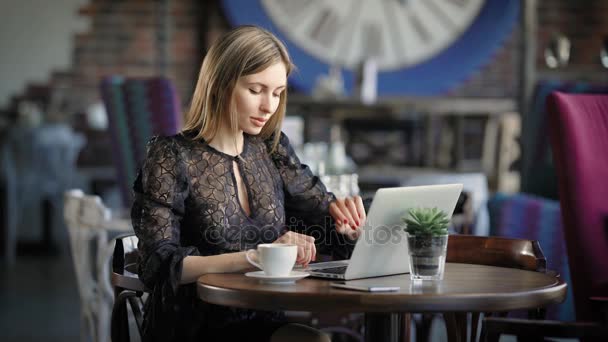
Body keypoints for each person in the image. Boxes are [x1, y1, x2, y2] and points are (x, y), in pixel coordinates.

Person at [132, 25, 367, 342]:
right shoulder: (171, 155)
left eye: (277, 93)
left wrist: (348, 229)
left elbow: (323, 225)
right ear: (221, 84)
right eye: (256, 90)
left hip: (262, 320)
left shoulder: (273, 149)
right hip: (191, 325)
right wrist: (257, 256)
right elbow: (158, 265)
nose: (268, 106)